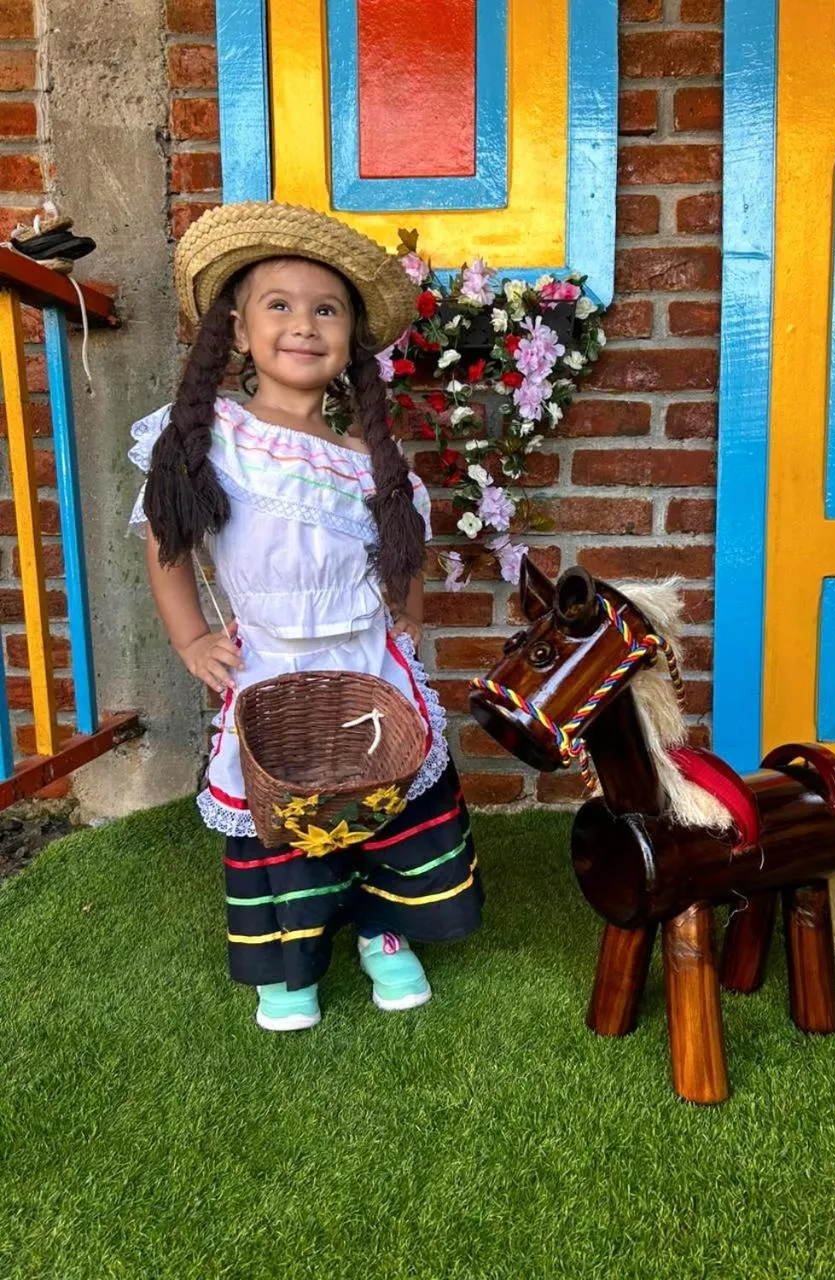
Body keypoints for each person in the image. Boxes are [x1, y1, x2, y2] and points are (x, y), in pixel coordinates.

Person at [129, 201, 482, 1031]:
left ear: (350, 340)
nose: (304, 324)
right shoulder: (214, 439)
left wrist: (409, 632)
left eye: (326, 309)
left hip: (365, 659)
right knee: (283, 810)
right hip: (271, 663)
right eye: (278, 305)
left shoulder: (370, 462)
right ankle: (289, 960)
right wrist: (191, 636)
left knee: (381, 793)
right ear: (240, 334)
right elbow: (166, 543)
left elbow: (402, 559)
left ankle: (386, 928)